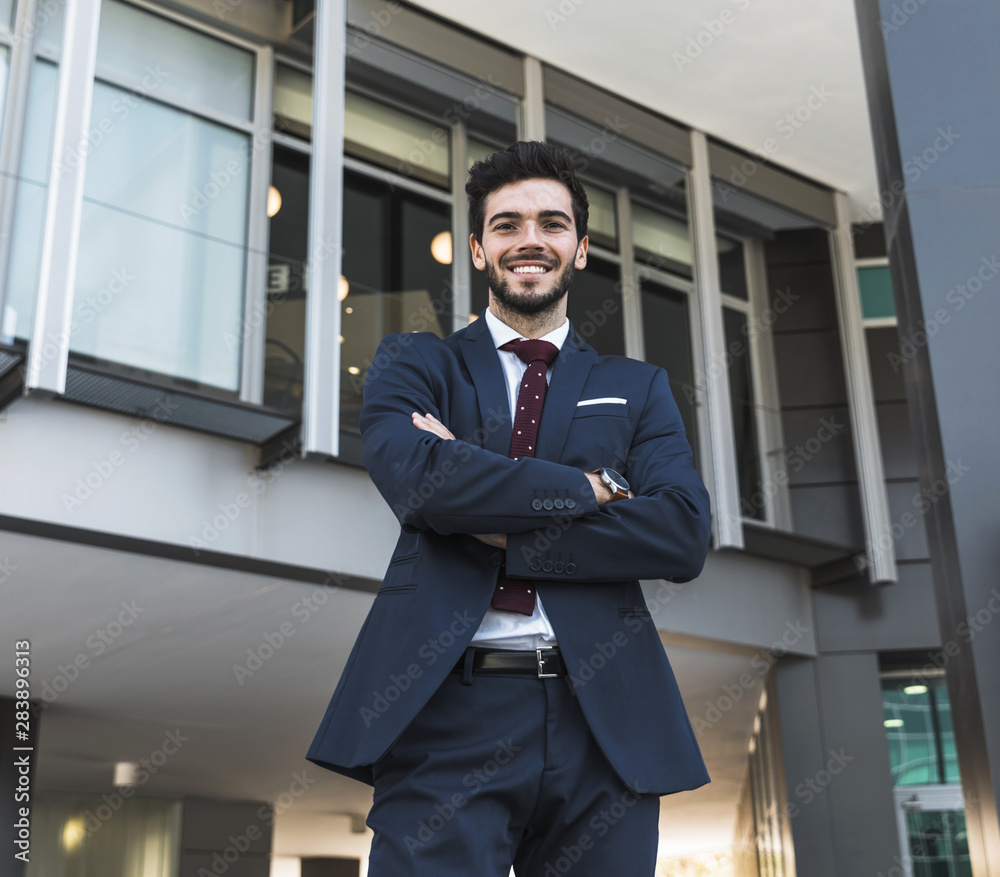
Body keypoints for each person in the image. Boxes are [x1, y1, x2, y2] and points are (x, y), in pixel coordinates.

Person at [307, 140, 711, 876]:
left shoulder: (638, 385)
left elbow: (680, 533)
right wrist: (593, 488)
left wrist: (496, 520)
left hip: (606, 723)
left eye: (552, 224)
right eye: (507, 224)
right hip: (445, 708)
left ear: (581, 250)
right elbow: (422, 484)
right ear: (478, 248)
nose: (531, 239)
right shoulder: (413, 364)